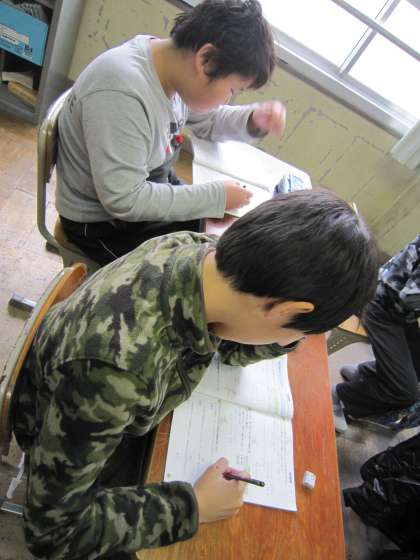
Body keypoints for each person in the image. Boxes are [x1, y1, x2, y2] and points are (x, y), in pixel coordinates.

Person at [14, 190, 379, 559]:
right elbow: (52, 532)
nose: (290, 341)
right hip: (74, 445)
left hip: (92, 410)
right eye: (296, 331)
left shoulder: (198, 252)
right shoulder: (116, 374)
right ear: (285, 310)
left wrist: (286, 334)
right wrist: (192, 507)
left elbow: (230, 341)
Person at [56, 0, 286, 266]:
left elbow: (207, 119)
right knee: (194, 271)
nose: (227, 99)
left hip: (147, 187)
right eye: (232, 90)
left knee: (215, 235)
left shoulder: (169, 69)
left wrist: (253, 120)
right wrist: (216, 196)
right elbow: (124, 200)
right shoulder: (122, 92)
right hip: (102, 224)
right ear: (206, 60)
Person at [333, 235, 420, 433]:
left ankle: (365, 374)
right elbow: (410, 297)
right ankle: (339, 396)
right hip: (383, 307)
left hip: (397, 308)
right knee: (405, 393)